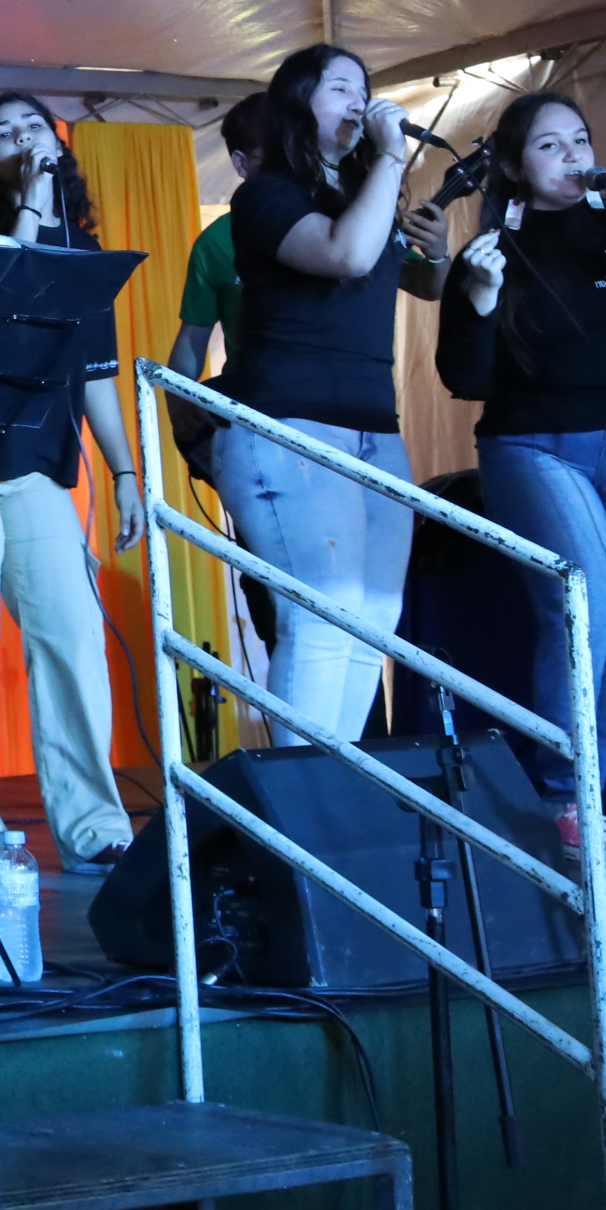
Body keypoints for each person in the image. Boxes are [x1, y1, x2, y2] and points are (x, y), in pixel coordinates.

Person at [439, 93, 606, 863]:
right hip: (537, 447)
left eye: (580, 140)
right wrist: (479, 303)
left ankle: (585, 801)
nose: (573, 156)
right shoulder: (492, 252)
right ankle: (565, 797)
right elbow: (463, 377)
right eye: (550, 145)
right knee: (584, 613)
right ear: (514, 165)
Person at [0, 95, 142, 875]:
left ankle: (94, 825)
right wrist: (33, 208)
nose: (21, 137)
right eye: (2, 132)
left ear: (57, 142)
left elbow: (97, 374)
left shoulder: (81, 251)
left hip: (38, 463)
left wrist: (125, 470)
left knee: (72, 636)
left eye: (34, 126)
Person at [211, 44, 416, 744]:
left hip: (374, 428)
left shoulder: (363, 196)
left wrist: (445, 252)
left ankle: (335, 785)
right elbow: (345, 255)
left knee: (372, 621)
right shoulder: (266, 194)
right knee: (323, 618)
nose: (360, 101)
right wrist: (391, 157)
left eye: (364, 88)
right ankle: (304, 801)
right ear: (298, 106)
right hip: (290, 428)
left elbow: (408, 278)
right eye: (339, 89)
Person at [167, 93, 278, 648]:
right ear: (241, 162)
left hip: (330, 433)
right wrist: (180, 410)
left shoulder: (337, 221)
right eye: (274, 150)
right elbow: (190, 341)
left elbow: (427, 281)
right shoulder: (217, 242)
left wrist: (437, 255)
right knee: (269, 589)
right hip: (253, 432)